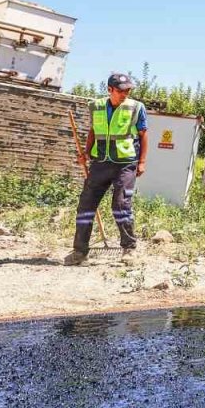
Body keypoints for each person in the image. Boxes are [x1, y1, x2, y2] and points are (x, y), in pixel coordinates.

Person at [63, 73, 148, 266]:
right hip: (100, 163)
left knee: (120, 205)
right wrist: (86, 152)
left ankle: (129, 248)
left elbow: (143, 135)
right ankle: (79, 252)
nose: (125, 94)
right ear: (109, 89)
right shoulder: (97, 106)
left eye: (128, 90)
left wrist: (142, 162)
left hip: (125, 164)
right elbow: (94, 130)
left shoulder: (136, 107)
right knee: (85, 206)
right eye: (120, 90)